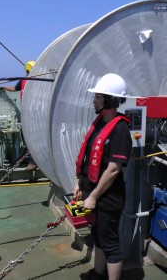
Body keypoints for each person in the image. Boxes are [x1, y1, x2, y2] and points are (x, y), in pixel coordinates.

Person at [74, 73, 132, 280]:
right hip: (93, 193)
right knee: (98, 237)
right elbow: (89, 157)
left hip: (108, 198)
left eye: (98, 97)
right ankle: (98, 274)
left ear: (110, 100)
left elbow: (114, 168)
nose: (94, 101)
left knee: (110, 243)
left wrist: (95, 196)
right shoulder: (99, 123)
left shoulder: (120, 130)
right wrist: (79, 182)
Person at [1, 60, 37, 171]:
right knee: (25, 135)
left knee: (33, 137)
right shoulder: (24, 81)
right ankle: (25, 156)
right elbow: (14, 89)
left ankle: (33, 161)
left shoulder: (38, 81)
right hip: (26, 113)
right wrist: (3, 87)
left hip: (35, 112)